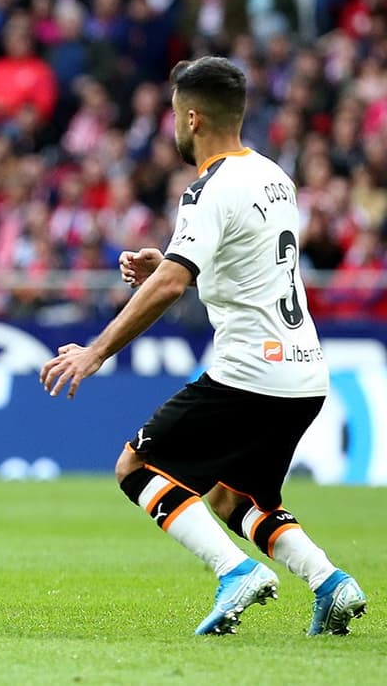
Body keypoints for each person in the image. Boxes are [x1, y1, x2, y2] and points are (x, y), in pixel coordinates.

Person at [40, 56, 367, 636]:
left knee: (135, 466)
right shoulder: (274, 175)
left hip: (251, 373)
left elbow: (174, 283)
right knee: (232, 499)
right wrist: (165, 261)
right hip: (305, 374)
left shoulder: (207, 189)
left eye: (173, 115)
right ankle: (330, 583)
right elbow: (242, 261)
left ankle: (233, 571)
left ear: (191, 118)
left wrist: (94, 352)